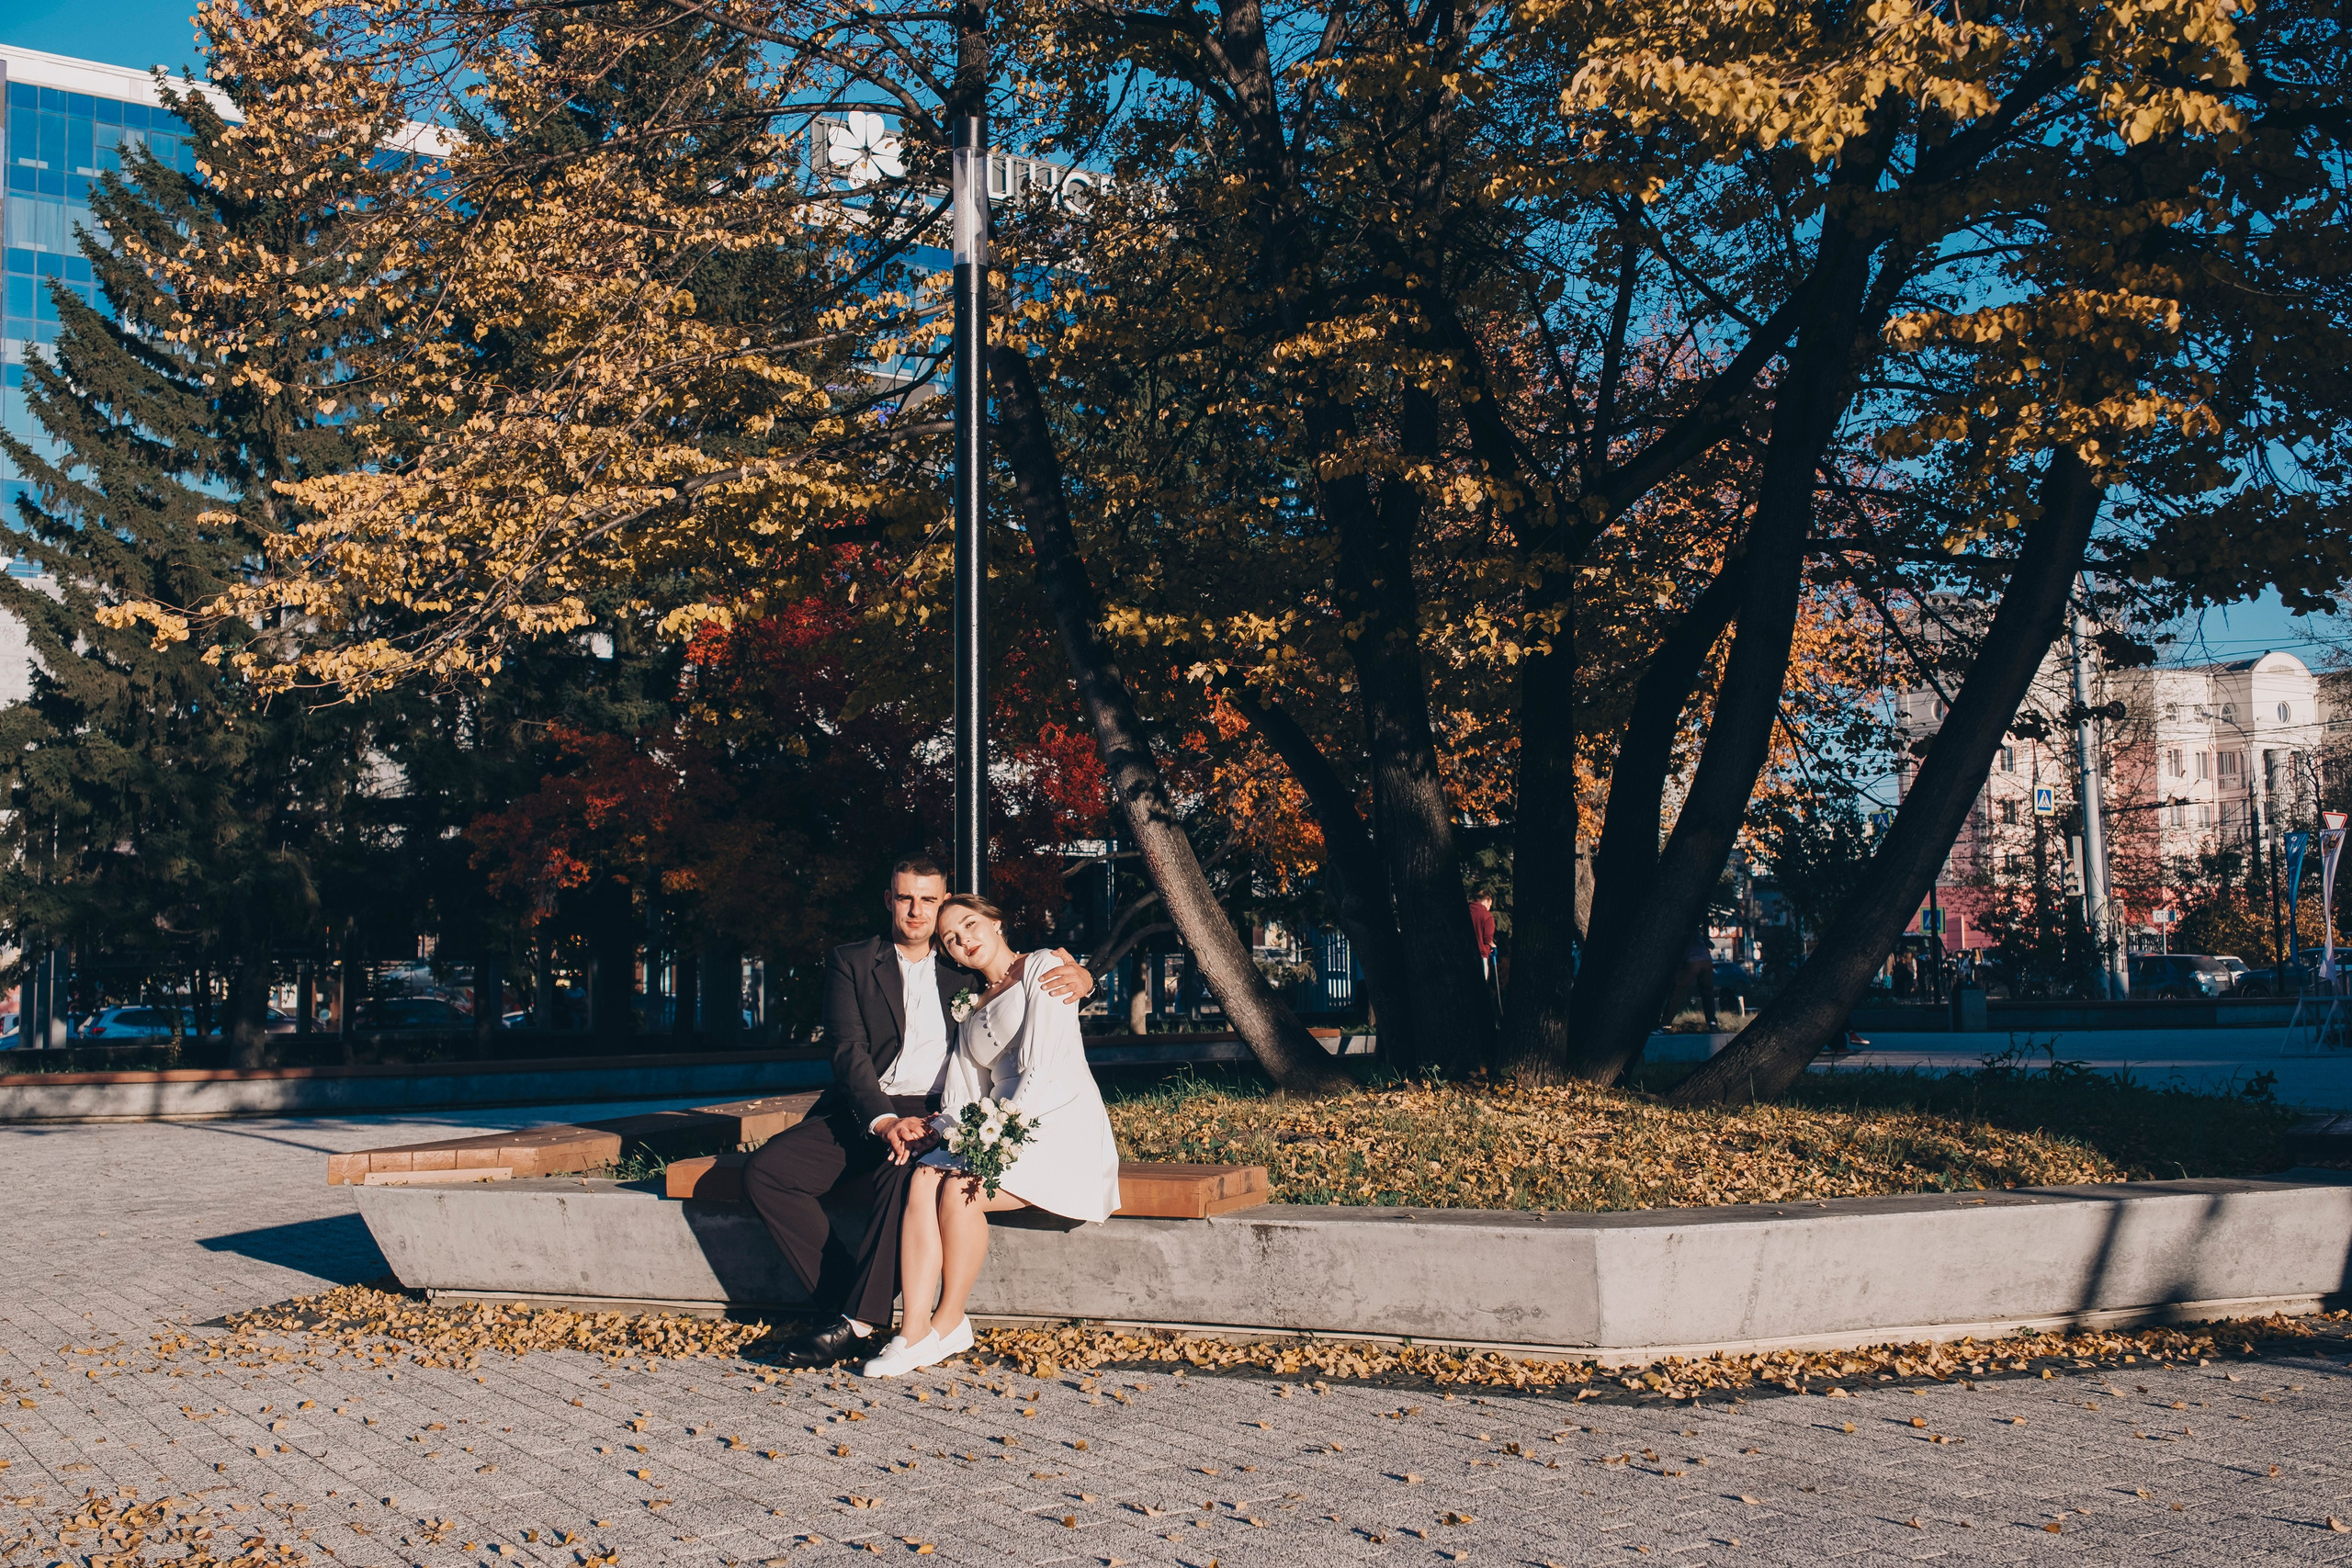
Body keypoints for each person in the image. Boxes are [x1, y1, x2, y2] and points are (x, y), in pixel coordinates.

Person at [742, 859, 1094, 1369]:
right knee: (767, 1174)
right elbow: (848, 1051)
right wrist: (882, 1119)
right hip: (870, 1107)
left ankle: (853, 1325)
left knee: (904, 1180)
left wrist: (1086, 980)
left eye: (929, 900)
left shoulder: (963, 961)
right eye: (906, 897)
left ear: (943, 903)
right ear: (889, 899)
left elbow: (1027, 981)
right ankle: (849, 1299)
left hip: (939, 1112)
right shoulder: (853, 961)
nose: (916, 909)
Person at [861, 893, 1123, 1377]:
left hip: (1055, 1120)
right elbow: (965, 1092)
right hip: (997, 1122)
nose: (964, 941)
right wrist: (938, 1129)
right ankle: (912, 1328)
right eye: (951, 940)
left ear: (996, 922)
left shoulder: (1041, 967)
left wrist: (995, 1137)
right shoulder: (969, 1006)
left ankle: (950, 1320)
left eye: (970, 925)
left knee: (962, 1187)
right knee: (922, 1177)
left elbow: (1041, 1069)